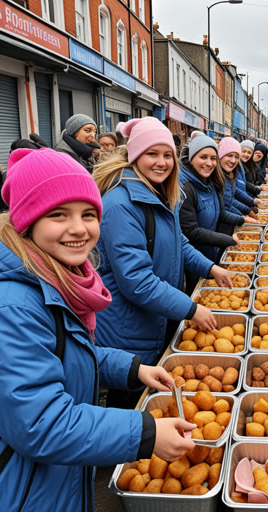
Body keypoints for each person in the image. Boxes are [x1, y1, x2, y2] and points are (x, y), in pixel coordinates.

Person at [0, 148, 197, 510]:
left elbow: (66, 351)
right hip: (25, 490)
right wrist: (145, 433)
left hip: (60, 477)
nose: (79, 228)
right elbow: (40, 423)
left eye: (88, 214)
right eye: (58, 214)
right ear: (27, 219)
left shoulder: (57, 278)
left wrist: (133, 368)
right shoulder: (12, 305)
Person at [92, 118, 230, 407]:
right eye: (151, 154)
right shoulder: (121, 204)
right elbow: (137, 282)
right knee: (131, 402)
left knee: (154, 399)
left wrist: (210, 267)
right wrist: (191, 309)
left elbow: (179, 242)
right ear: (134, 156)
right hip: (128, 328)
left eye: (167, 155)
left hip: (156, 316)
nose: (161, 162)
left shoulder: (161, 194)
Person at [179, 135, 245, 292]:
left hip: (211, 252)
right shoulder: (185, 187)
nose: (209, 163)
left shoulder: (211, 181)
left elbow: (221, 213)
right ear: (191, 158)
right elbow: (190, 231)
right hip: (194, 258)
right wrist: (228, 239)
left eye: (213, 158)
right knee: (195, 291)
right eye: (203, 157)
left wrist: (243, 220)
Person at [219, 137, 263, 219]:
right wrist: (243, 216)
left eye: (236, 157)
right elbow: (227, 204)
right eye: (229, 155)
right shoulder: (219, 175)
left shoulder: (231, 171)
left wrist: (252, 202)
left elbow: (235, 191)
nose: (233, 160)